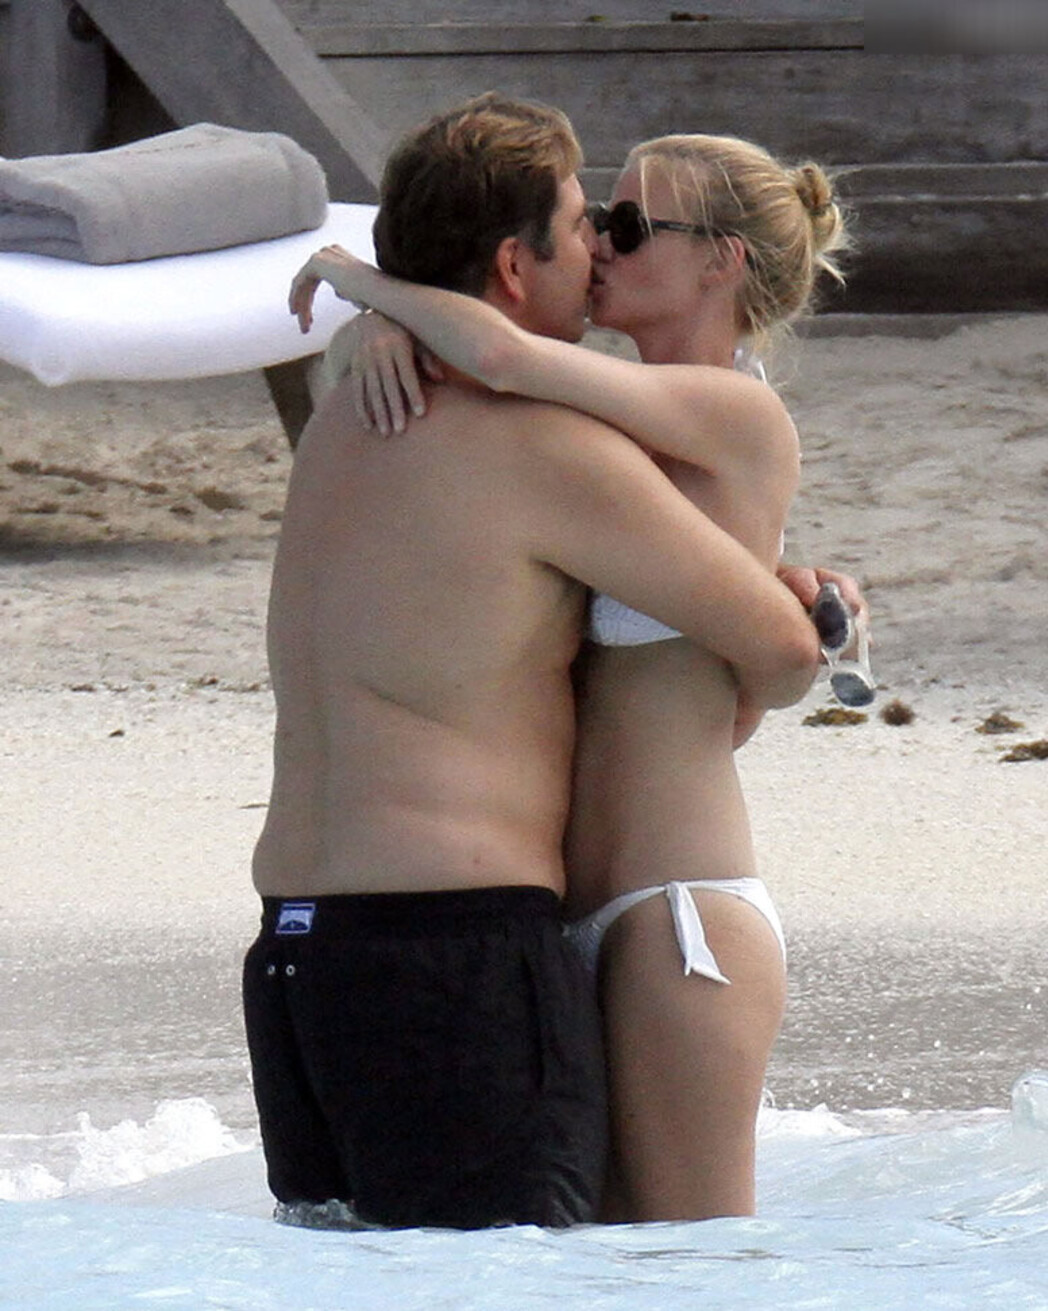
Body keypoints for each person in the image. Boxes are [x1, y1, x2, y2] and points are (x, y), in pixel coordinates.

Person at [247, 94, 821, 1233]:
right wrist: (380, 312)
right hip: (462, 941)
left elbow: (779, 645)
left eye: (626, 225)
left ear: (722, 262)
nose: (601, 244)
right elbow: (780, 642)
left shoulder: (348, 417)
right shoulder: (552, 444)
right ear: (515, 266)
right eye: (588, 222)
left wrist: (370, 300)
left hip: (312, 948)